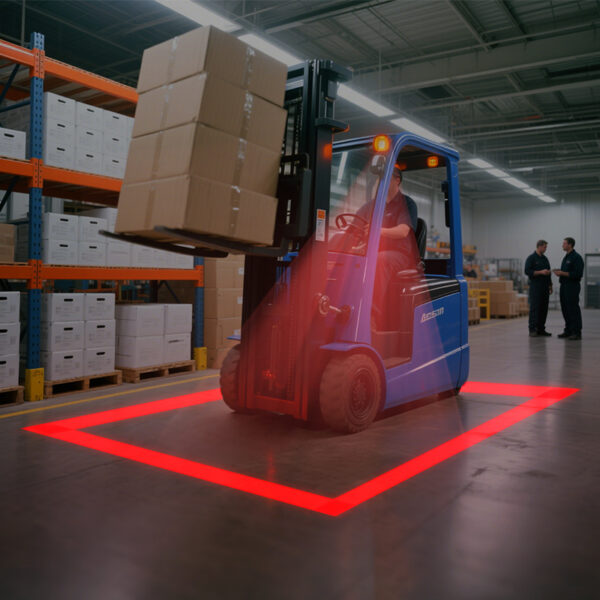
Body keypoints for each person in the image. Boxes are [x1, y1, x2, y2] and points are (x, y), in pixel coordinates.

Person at [357, 165, 419, 326]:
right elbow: (355, 225)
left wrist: (377, 231)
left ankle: (370, 316)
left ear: (397, 180)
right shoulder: (373, 205)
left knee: (379, 260)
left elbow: (403, 231)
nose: (380, 182)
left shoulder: (407, 203)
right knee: (349, 260)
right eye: (379, 179)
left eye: (385, 178)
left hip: (400, 255)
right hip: (374, 252)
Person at [553, 237, 584, 340]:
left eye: (564, 243)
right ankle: (568, 330)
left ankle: (576, 332)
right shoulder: (566, 257)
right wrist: (559, 272)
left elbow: (578, 274)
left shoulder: (576, 257)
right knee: (565, 309)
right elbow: (566, 271)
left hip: (572, 286)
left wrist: (562, 273)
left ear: (570, 245)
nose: (562, 245)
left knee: (573, 309)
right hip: (564, 286)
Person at [524, 239, 553, 337]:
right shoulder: (531, 258)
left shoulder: (545, 259)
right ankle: (532, 329)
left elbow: (548, 272)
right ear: (539, 246)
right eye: (544, 247)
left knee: (543, 309)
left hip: (545, 287)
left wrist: (550, 285)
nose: (545, 249)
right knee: (535, 308)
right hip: (535, 287)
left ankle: (541, 329)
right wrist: (541, 272)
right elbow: (527, 271)